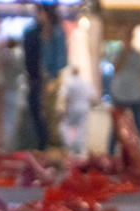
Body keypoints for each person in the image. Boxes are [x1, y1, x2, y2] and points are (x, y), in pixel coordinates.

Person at [23, 3, 67, 150]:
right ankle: (44, 147)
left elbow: (60, 58)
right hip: (39, 79)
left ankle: (51, 147)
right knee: (40, 113)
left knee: (49, 115)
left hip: (49, 80)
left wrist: (54, 79)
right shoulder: (38, 32)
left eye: (40, 13)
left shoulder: (56, 32)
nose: (37, 16)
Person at [108, 25, 140, 154]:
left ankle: (137, 155)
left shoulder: (138, 55)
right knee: (116, 127)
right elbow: (115, 69)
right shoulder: (117, 53)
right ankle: (111, 154)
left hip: (136, 94)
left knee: (138, 126)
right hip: (120, 94)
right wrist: (124, 53)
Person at [59, 66, 96, 155]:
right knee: (81, 127)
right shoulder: (86, 83)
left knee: (67, 126)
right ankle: (78, 147)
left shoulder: (69, 83)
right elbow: (92, 97)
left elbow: (65, 96)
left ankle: (69, 145)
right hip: (84, 107)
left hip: (73, 107)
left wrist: (64, 108)